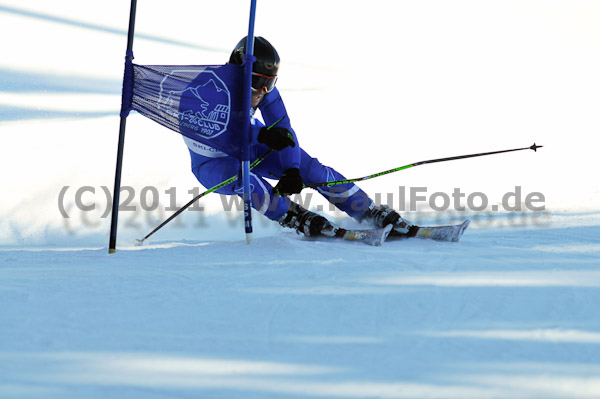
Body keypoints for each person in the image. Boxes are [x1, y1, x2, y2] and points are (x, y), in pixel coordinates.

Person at [185, 36, 413, 237]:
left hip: (254, 145)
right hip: (213, 161)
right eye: (258, 81)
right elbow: (220, 136)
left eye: (270, 82)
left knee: (311, 170)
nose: (263, 90)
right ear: (238, 70)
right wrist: (261, 134)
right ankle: (293, 215)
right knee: (247, 181)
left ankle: (367, 211)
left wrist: (292, 168)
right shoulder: (204, 89)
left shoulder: (263, 91)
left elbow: (283, 128)